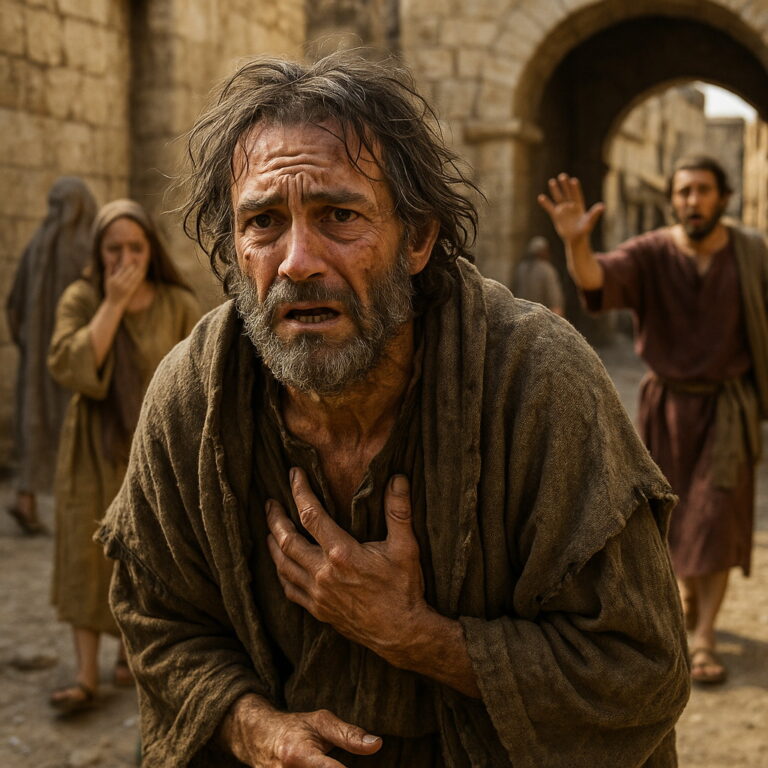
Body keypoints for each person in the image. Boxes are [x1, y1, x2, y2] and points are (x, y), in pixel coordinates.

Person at [98, 54, 689, 767]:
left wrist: (418, 635)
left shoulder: (536, 384)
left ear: (417, 238)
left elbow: (639, 672)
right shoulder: (193, 397)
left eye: (338, 215)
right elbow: (157, 617)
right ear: (234, 247)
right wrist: (251, 724)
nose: (296, 261)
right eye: (262, 222)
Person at [539, 156, 768, 687]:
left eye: (703, 191)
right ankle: (688, 599)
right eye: (684, 192)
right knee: (672, 519)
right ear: (674, 199)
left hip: (727, 408)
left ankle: (705, 633)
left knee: (714, 517)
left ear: (724, 198)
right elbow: (597, 280)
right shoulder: (651, 253)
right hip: (665, 406)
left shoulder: (752, 254)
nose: (692, 201)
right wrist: (576, 242)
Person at [47, 199, 200, 715]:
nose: (126, 257)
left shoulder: (176, 302)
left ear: (150, 249)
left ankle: (128, 656)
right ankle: (86, 676)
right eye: (115, 248)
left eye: (135, 247)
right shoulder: (81, 297)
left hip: (153, 448)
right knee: (85, 551)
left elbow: (198, 371)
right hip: (93, 447)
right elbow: (72, 365)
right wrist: (111, 304)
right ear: (99, 251)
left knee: (147, 550)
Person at [5, 177, 97, 535]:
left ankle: (25, 497)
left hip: (34, 361)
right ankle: (72, 512)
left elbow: (12, 305)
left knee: (33, 425)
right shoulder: (85, 247)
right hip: (73, 357)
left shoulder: (34, 245)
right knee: (72, 429)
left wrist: (27, 343)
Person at [513, 235, 565, 315]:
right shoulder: (547, 269)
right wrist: (557, 309)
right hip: (540, 314)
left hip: (521, 312)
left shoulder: (521, 267)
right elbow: (553, 294)